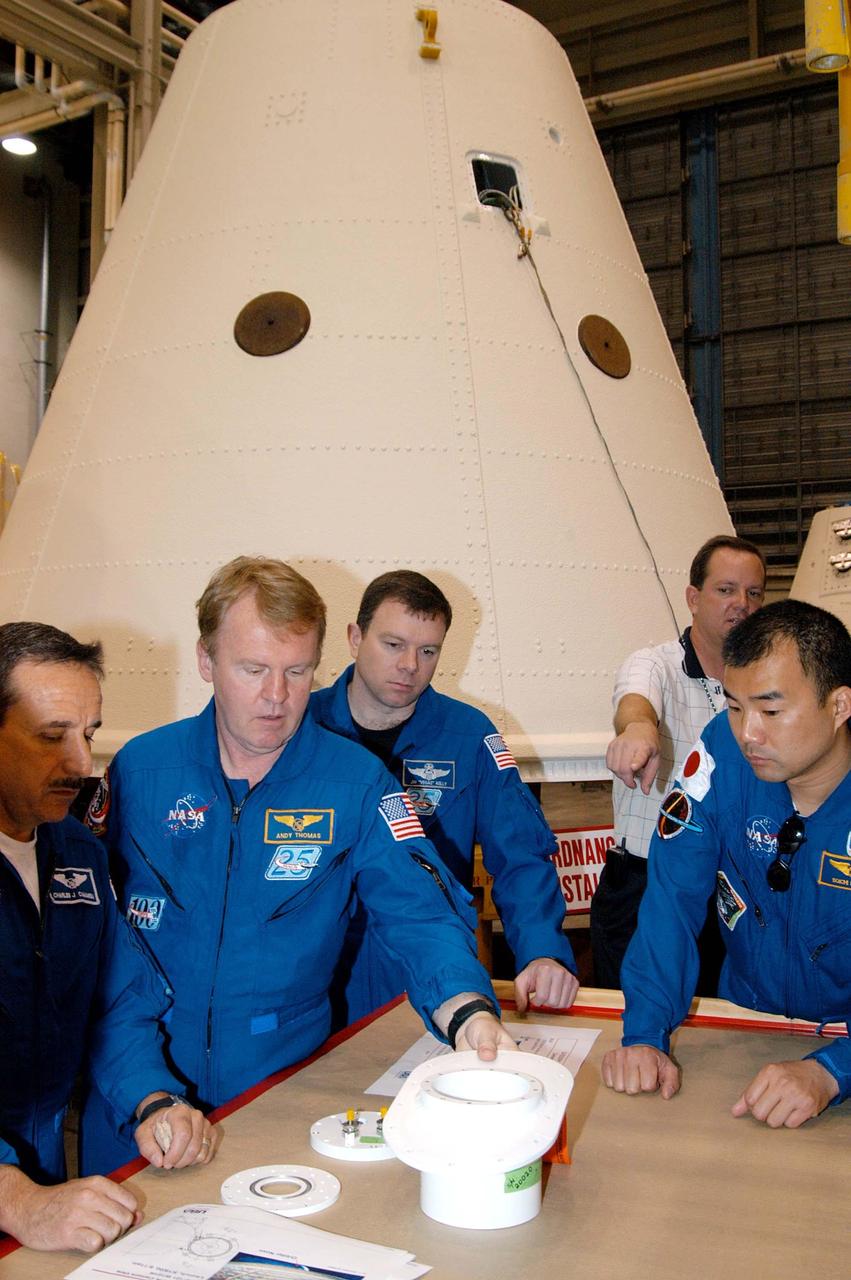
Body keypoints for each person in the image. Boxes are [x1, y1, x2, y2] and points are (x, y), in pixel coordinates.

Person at [83, 557, 512, 1173]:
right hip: (138, 1105)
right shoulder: (141, 772)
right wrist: (146, 1094)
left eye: (298, 671)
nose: (278, 697)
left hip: (282, 1096)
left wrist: (466, 1010)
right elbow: (99, 957)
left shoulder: (358, 782)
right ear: (207, 662)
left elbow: (420, 913)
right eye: (253, 670)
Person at [0, 623, 214, 1255]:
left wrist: (152, 1099)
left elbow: (116, 1002)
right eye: (50, 736)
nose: (81, 765)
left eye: (88, 734)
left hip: (41, 1183)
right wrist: (18, 1200)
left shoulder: (76, 854)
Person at [602, 599, 851, 1128]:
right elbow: (671, 899)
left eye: (771, 710)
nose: (748, 734)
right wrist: (645, 1034)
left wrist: (833, 1070)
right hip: (747, 1028)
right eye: (736, 707)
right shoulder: (719, 754)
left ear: (839, 705)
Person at [311, 570, 578, 1024]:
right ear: (355, 638)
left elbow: (521, 857)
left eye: (428, 650)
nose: (410, 665)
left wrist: (542, 952)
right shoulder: (301, 731)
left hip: (431, 977)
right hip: (316, 984)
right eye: (393, 644)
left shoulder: (470, 737)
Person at [591, 534, 766, 988]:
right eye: (725, 590)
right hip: (644, 887)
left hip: (732, 889)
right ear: (693, 598)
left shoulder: (764, 685)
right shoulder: (654, 665)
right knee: (634, 1028)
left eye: (753, 593)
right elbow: (635, 702)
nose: (741, 604)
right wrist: (638, 730)